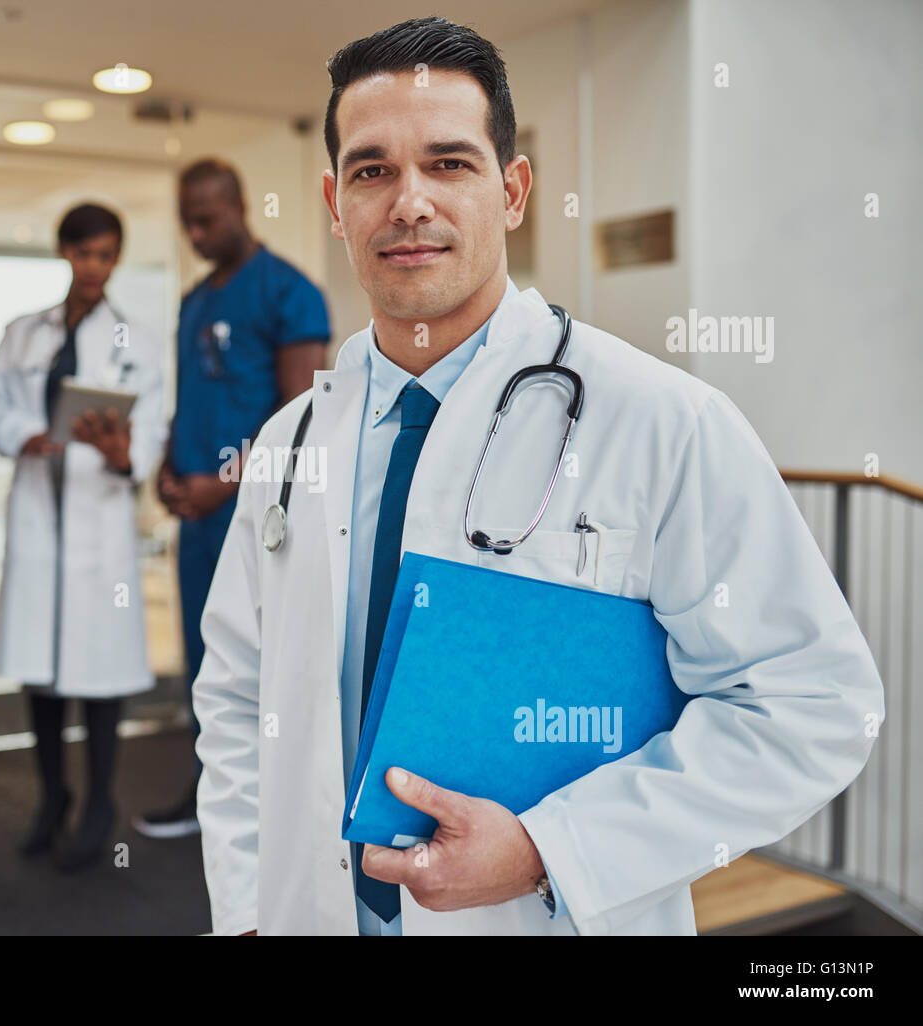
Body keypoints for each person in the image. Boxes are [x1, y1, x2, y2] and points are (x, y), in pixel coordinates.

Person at [191, 16, 885, 936]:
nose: (408, 203)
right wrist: (243, 910)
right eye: (372, 170)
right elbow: (236, 699)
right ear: (333, 202)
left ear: (513, 190)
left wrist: (551, 848)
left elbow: (810, 704)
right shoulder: (287, 446)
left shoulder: (662, 422)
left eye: (449, 163)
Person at [133, 159, 331, 839]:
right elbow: (188, 397)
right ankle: (211, 793)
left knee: (265, 658)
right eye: (187, 218)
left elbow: (302, 413)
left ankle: (280, 808)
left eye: (207, 218)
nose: (195, 231)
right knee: (204, 657)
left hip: (260, 514)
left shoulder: (290, 293)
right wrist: (166, 466)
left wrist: (222, 485)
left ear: (242, 206)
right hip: (197, 513)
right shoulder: (194, 300)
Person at [0, 204, 166, 872]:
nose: (94, 267)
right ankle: (51, 797)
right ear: (64, 254)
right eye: (84, 254)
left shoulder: (137, 341)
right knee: (42, 674)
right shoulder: (23, 334)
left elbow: (154, 435)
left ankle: (99, 805)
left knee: (101, 676)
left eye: (106, 255)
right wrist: (17, 433)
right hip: (38, 514)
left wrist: (121, 454)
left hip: (98, 523)